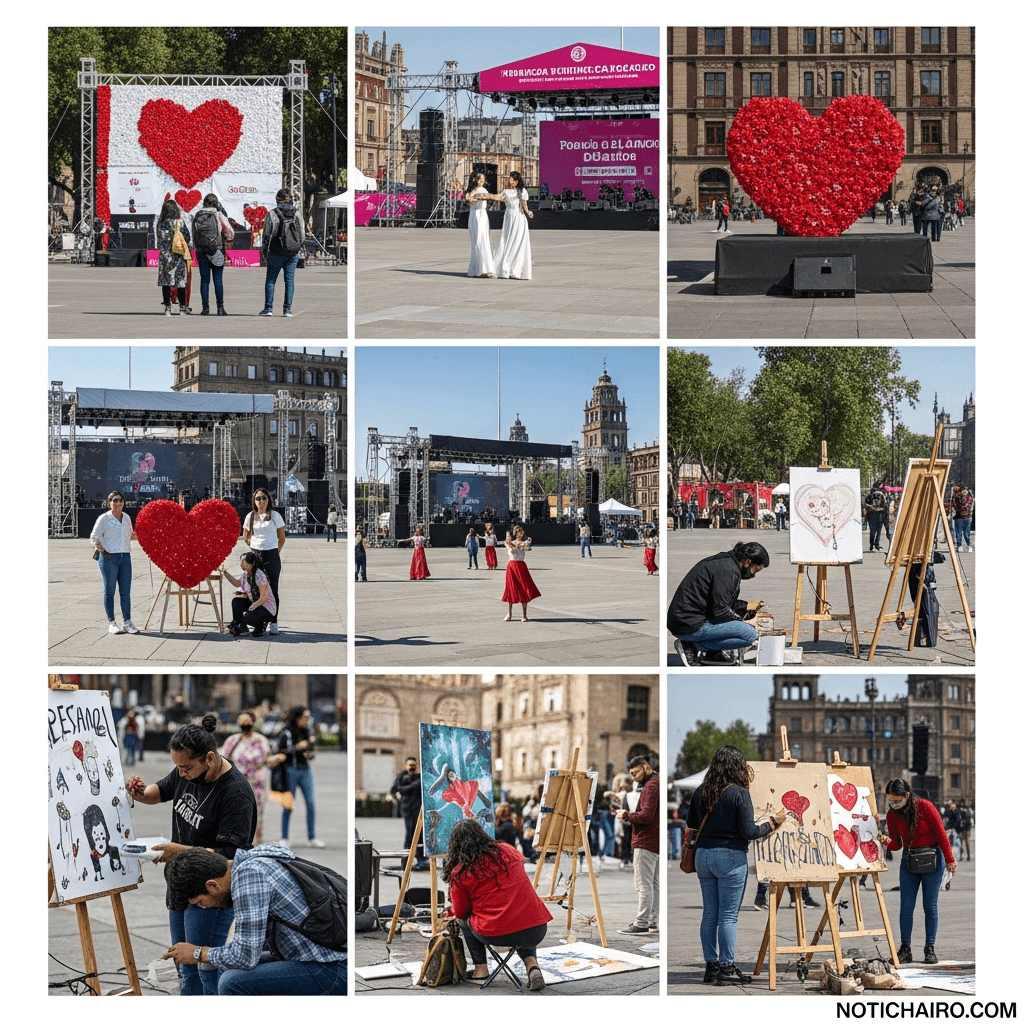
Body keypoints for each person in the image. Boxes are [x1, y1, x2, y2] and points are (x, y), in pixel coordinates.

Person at [126, 716, 257, 996]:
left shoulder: (236, 793)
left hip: (211, 891)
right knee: (183, 966)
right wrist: (140, 793)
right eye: (178, 768)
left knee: (204, 969)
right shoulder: (184, 769)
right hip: (180, 882)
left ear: (209, 758)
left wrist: (176, 850)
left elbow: (228, 857)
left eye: (186, 768)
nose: (181, 774)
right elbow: (158, 791)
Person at [162, 845, 346, 994]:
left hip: (330, 967)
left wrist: (198, 953)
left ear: (212, 885)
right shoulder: (254, 860)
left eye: (200, 903)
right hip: (315, 955)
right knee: (217, 963)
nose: (205, 907)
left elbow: (245, 956)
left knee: (231, 982)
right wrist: (207, 956)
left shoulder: (249, 876)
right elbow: (248, 948)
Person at [687, 745, 787, 986]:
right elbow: (749, 831)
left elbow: (691, 823)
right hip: (730, 856)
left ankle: (710, 967)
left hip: (703, 857)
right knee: (728, 916)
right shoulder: (739, 793)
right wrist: (773, 823)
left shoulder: (701, 791)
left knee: (710, 913)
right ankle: (726, 968)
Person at [443, 819, 552, 990]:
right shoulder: (508, 850)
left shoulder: (461, 872)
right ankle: (532, 966)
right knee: (521, 915)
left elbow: (461, 912)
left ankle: (481, 969)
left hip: (497, 932)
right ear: (482, 834)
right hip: (536, 928)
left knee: (465, 921)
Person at [879, 778, 956, 965]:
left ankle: (929, 948)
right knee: (906, 907)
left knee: (930, 907)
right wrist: (885, 840)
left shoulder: (925, 807)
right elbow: (897, 845)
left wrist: (950, 860)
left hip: (933, 859)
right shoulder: (892, 814)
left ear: (906, 795)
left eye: (896, 800)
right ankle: (905, 949)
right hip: (908, 861)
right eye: (890, 800)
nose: (893, 804)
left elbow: (941, 834)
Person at [667, 541, 768, 666]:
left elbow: (720, 601)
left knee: (738, 625)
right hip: (688, 624)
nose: (753, 575)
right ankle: (693, 645)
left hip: (683, 620)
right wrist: (746, 622)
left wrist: (746, 606)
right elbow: (720, 611)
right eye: (755, 570)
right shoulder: (729, 571)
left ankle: (713, 652)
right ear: (747, 562)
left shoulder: (726, 562)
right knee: (749, 634)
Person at [222, 711, 286, 845]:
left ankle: (257, 843)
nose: (245, 726)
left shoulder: (261, 740)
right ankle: (237, 843)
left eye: (247, 723)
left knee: (258, 814)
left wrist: (276, 758)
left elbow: (266, 759)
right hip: (237, 784)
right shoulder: (232, 741)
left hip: (257, 784)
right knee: (236, 813)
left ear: (253, 723)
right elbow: (223, 760)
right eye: (242, 723)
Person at [616, 755, 660, 935]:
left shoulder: (650, 786)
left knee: (643, 884)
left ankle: (642, 922)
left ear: (645, 767)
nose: (633, 777)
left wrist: (626, 815)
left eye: (635, 773)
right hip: (654, 840)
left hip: (645, 840)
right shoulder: (655, 783)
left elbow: (646, 816)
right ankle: (653, 920)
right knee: (653, 883)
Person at [90, 490, 140, 635]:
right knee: (109, 590)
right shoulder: (104, 518)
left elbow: (130, 535)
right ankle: (111, 622)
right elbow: (94, 537)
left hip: (125, 557)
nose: (118, 503)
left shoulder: (127, 518)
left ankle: (127, 622)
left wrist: (148, 535)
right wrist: (103, 552)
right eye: (114, 500)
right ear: (109, 503)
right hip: (109, 558)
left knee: (125, 592)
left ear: (124, 503)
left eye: (120, 500)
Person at [277, 706, 325, 849]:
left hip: (305, 770)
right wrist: (296, 748)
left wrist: (310, 753)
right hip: (290, 770)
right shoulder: (286, 733)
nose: (307, 720)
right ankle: (284, 838)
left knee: (311, 803)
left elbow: (310, 751)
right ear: (297, 718)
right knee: (288, 805)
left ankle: (312, 837)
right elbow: (280, 751)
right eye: (305, 717)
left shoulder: (307, 732)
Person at [243, 489, 285, 635]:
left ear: (268, 500)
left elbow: (282, 538)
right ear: (254, 501)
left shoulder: (275, 515)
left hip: (271, 555)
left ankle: (273, 622)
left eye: (263, 498)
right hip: (256, 555)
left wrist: (274, 551)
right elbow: (246, 536)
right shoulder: (250, 516)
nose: (261, 501)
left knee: (272, 589)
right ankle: (258, 623)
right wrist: (255, 549)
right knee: (256, 590)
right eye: (258, 499)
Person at [259, 188, 305, 317]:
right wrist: (297, 247)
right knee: (289, 281)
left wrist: (265, 250)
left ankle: (268, 308)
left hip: (276, 251)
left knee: (271, 280)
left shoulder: (273, 214)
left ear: (277, 200)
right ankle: (287, 310)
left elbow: (267, 234)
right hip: (292, 253)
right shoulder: (297, 213)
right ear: (290, 199)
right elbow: (302, 234)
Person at [191, 193, 234, 315]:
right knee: (218, 280)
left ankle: (205, 308)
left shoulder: (197, 215)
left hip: (201, 251)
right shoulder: (218, 214)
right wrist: (225, 241)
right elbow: (230, 233)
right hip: (216, 250)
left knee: (204, 280)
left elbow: (194, 234)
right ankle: (220, 308)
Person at [488, 171, 533, 280]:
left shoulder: (522, 191)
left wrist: (528, 212)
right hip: (509, 217)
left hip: (519, 217)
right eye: (509, 179)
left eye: (511, 179)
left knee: (518, 242)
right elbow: (498, 197)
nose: (509, 180)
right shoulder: (506, 192)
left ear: (516, 181)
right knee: (507, 240)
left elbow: (524, 205)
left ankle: (516, 269)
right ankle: (506, 267)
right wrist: (485, 196)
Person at [387, 756, 428, 870]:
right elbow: (397, 788)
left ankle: (421, 859)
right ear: (406, 766)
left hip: (418, 809)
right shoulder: (402, 776)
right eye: (410, 765)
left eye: (414, 765)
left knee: (419, 835)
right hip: (407, 809)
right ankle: (406, 859)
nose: (412, 768)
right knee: (409, 833)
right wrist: (396, 797)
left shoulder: (420, 777)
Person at [223, 552, 276, 638]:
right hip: (255, 602)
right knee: (236, 602)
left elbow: (263, 598)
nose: (241, 565)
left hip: (266, 607)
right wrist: (224, 572)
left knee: (247, 617)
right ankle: (242, 627)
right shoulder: (246, 575)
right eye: (241, 562)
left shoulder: (259, 575)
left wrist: (251, 610)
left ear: (252, 563)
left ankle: (259, 626)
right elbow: (237, 583)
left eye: (244, 562)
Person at [156, 199, 192, 315]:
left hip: (165, 257)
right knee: (180, 281)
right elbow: (187, 237)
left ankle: (167, 307)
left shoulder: (160, 224)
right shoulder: (180, 223)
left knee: (166, 281)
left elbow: (159, 240)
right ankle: (182, 307)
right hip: (178, 255)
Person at [501, 525, 541, 621]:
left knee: (524, 588)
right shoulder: (509, 543)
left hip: (521, 566)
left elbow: (528, 548)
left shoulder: (524, 543)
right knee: (510, 588)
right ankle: (509, 614)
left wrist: (525, 545)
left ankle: (524, 615)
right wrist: (518, 545)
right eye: (517, 532)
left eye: (520, 532)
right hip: (511, 567)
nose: (519, 534)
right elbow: (510, 547)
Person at [465, 172, 495, 278]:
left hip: (483, 215)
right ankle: (478, 269)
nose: (482, 181)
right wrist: (476, 198)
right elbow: (468, 198)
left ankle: (486, 268)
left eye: (483, 179)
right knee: (477, 240)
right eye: (480, 179)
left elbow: (490, 197)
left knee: (484, 240)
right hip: (476, 214)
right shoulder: (473, 191)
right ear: (475, 180)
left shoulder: (484, 190)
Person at [864, 481, 887, 552]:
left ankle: (871, 544)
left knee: (872, 531)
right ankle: (877, 544)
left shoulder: (869, 495)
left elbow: (865, 504)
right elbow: (885, 505)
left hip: (871, 515)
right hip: (880, 515)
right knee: (878, 531)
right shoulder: (881, 495)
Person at [952, 484, 974, 552]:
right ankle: (967, 545)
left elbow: (954, 504)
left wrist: (957, 510)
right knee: (966, 532)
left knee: (959, 532)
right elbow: (971, 504)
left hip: (960, 516)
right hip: (967, 516)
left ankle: (960, 546)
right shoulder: (969, 497)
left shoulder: (957, 496)